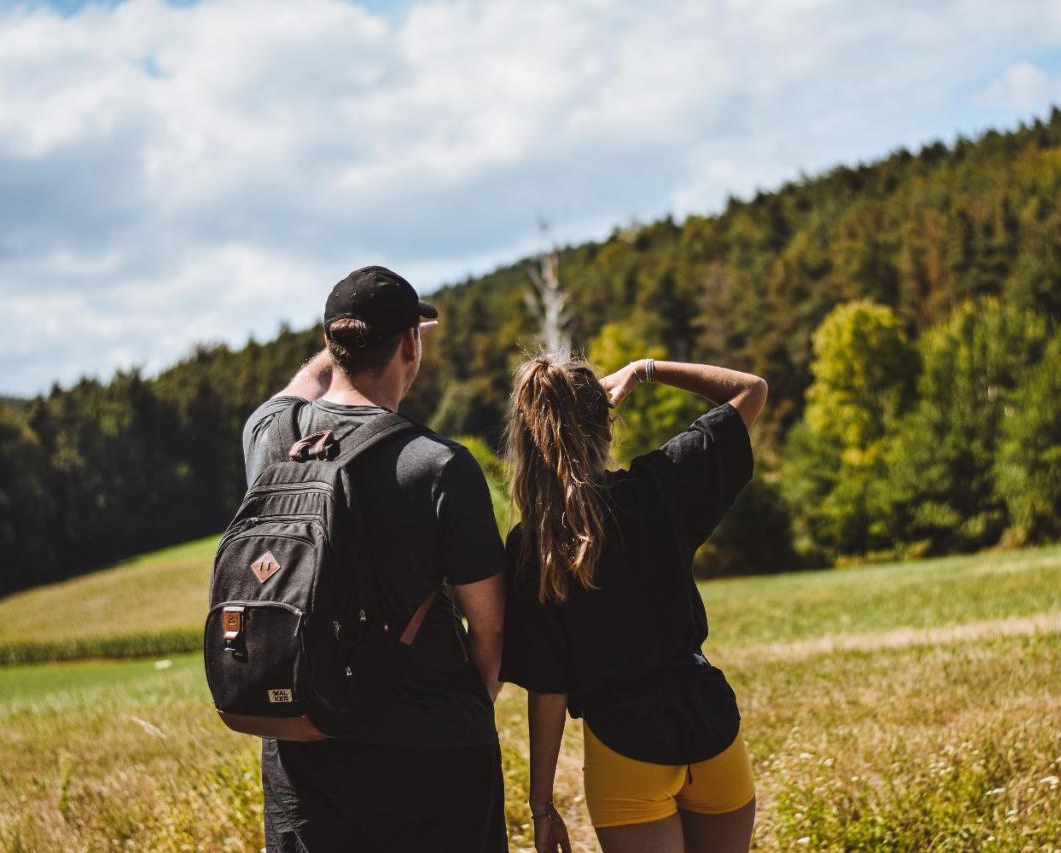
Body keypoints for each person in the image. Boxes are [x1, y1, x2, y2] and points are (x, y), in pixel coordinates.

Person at [241, 266, 509, 852]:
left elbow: (300, 387)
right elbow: (488, 628)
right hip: (433, 753)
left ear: (334, 343)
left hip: (304, 745)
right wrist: (465, 708)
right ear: (412, 343)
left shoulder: (269, 436)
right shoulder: (440, 465)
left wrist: (344, 343)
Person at [500, 354, 768, 853]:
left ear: (530, 439)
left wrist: (542, 805)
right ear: (607, 423)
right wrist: (646, 369)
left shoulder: (533, 544)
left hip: (625, 748)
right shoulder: (659, 487)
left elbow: (550, 691)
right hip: (709, 726)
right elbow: (751, 390)